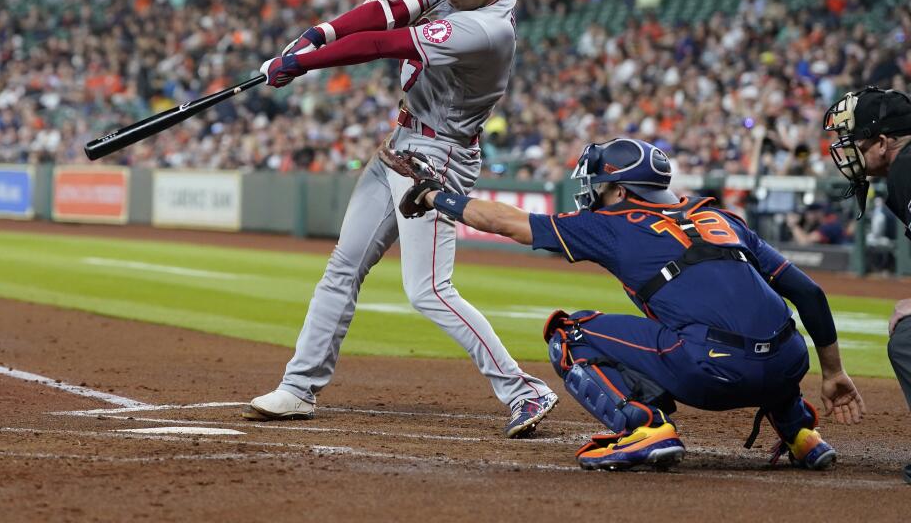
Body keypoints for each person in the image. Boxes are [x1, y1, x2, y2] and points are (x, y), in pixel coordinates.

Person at [386, 137, 864, 470]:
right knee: (763, 331)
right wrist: (834, 373)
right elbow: (808, 294)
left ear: (620, 189)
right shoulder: (719, 216)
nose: (592, 192)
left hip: (713, 374)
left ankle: (645, 427)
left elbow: (509, 223)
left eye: (599, 184)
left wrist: (436, 196)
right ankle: (801, 433)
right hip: (789, 365)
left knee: (569, 333)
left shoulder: (612, 223)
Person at [247, 0, 558, 436]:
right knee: (342, 267)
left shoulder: (485, 28)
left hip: (438, 157)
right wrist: (319, 34)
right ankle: (299, 389)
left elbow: (382, 44)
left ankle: (525, 389)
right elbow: (387, 11)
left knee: (429, 289)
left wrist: (301, 64)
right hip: (404, 140)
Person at [823, 86, 911, 483]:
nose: (848, 150)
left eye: (854, 140)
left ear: (882, 141)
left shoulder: (907, 166)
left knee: (909, 338)